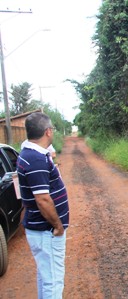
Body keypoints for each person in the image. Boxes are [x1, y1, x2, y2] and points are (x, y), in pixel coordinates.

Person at [17, 112, 69, 299]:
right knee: (53, 281)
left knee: (46, 276)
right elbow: (43, 200)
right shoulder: (36, 159)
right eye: (53, 130)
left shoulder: (30, 153)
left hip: (40, 229)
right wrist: (58, 225)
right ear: (48, 132)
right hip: (47, 230)